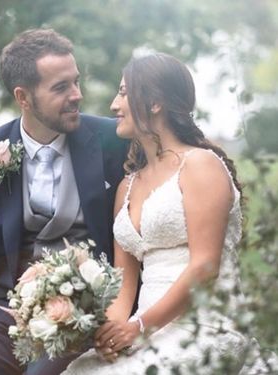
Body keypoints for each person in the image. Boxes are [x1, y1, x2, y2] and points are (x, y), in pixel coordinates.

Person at [0, 28, 127, 375]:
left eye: (76, 82)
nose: (77, 95)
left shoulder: (112, 138)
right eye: (61, 87)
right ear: (24, 97)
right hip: (11, 309)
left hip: (93, 308)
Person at [62, 52, 263, 375]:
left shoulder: (200, 165)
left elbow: (206, 266)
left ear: (155, 103)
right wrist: (111, 333)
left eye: (124, 93)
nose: (114, 105)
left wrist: (140, 325)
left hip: (206, 326)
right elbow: (124, 284)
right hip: (146, 331)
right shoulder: (126, 187)